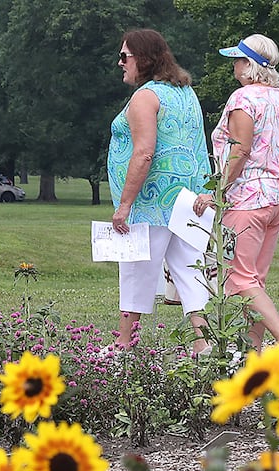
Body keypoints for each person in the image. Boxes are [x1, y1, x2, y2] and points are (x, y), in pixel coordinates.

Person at [193, 34, 279, 353]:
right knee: (255, 280)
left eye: (238, 61)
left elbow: (239, 150)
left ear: (248, 66)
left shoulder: (243, 99)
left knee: (240, 280)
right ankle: (251, 355)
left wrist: (217, 192)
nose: (235, 66)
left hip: (247, 199)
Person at [108, 29, 212, 353]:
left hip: (151, 200)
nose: (120, 62)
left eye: (125, 56)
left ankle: (124, 343)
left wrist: (125, 205)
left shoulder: (145, 97)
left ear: (143, 58)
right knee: (188, 268)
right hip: (187, 199)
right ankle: (203, 342)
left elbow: (143, 153)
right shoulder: (185, 92)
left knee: (137, 269)